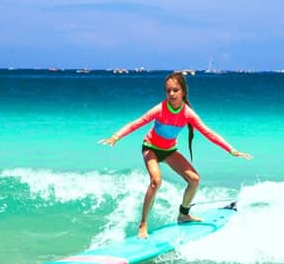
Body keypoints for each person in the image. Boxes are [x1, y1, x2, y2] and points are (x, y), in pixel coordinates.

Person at [99, 71, 252, 238]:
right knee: (156, 181)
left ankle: (184, 214)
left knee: (194, 179)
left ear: (183, 92)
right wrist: (116, 137)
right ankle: (143, 223)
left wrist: (231, 150)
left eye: (175, 90)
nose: (171, 94)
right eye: (168, 90)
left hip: (169, 151)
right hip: (150, 147)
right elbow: (137, 123)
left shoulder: (188, 114)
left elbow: (208, 133)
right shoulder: (160, 109)